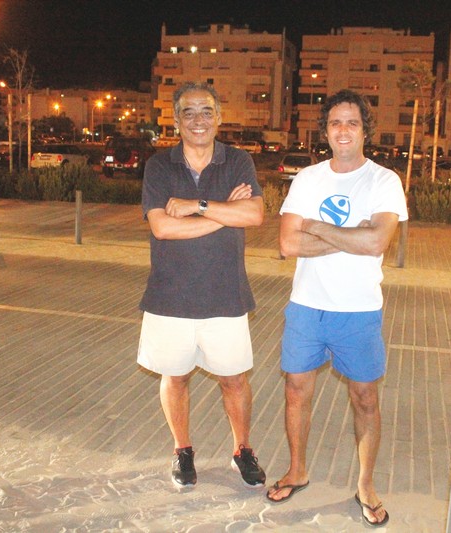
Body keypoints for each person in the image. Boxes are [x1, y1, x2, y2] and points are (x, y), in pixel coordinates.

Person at [266, 89, 408, 528]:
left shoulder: (383, 181)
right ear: (325, 131)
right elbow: (287, 244)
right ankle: (297, 470)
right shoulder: (308, 179)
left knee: (365, 398)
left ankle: (365, 484)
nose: (343, 130)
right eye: (335, 123)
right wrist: (349, 236)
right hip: (307, 307)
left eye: (352, 122)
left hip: (358, 310)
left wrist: (315, 226)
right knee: (296, 391)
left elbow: (376, 241)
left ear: (365, 130)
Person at [137, 81, 266, 490]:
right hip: (169, 296)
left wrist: (197, 206)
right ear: (176, 120)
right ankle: (182, 449)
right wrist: (226, 214)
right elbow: (162, 228)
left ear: (219, 118)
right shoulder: (159, 166)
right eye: (188, 112)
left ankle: (242, 450)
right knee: (175, 378)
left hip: (226, 295)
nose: (198, 119)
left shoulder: (238, 160)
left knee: (235, 380)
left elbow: (255, 215)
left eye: (206, 111)